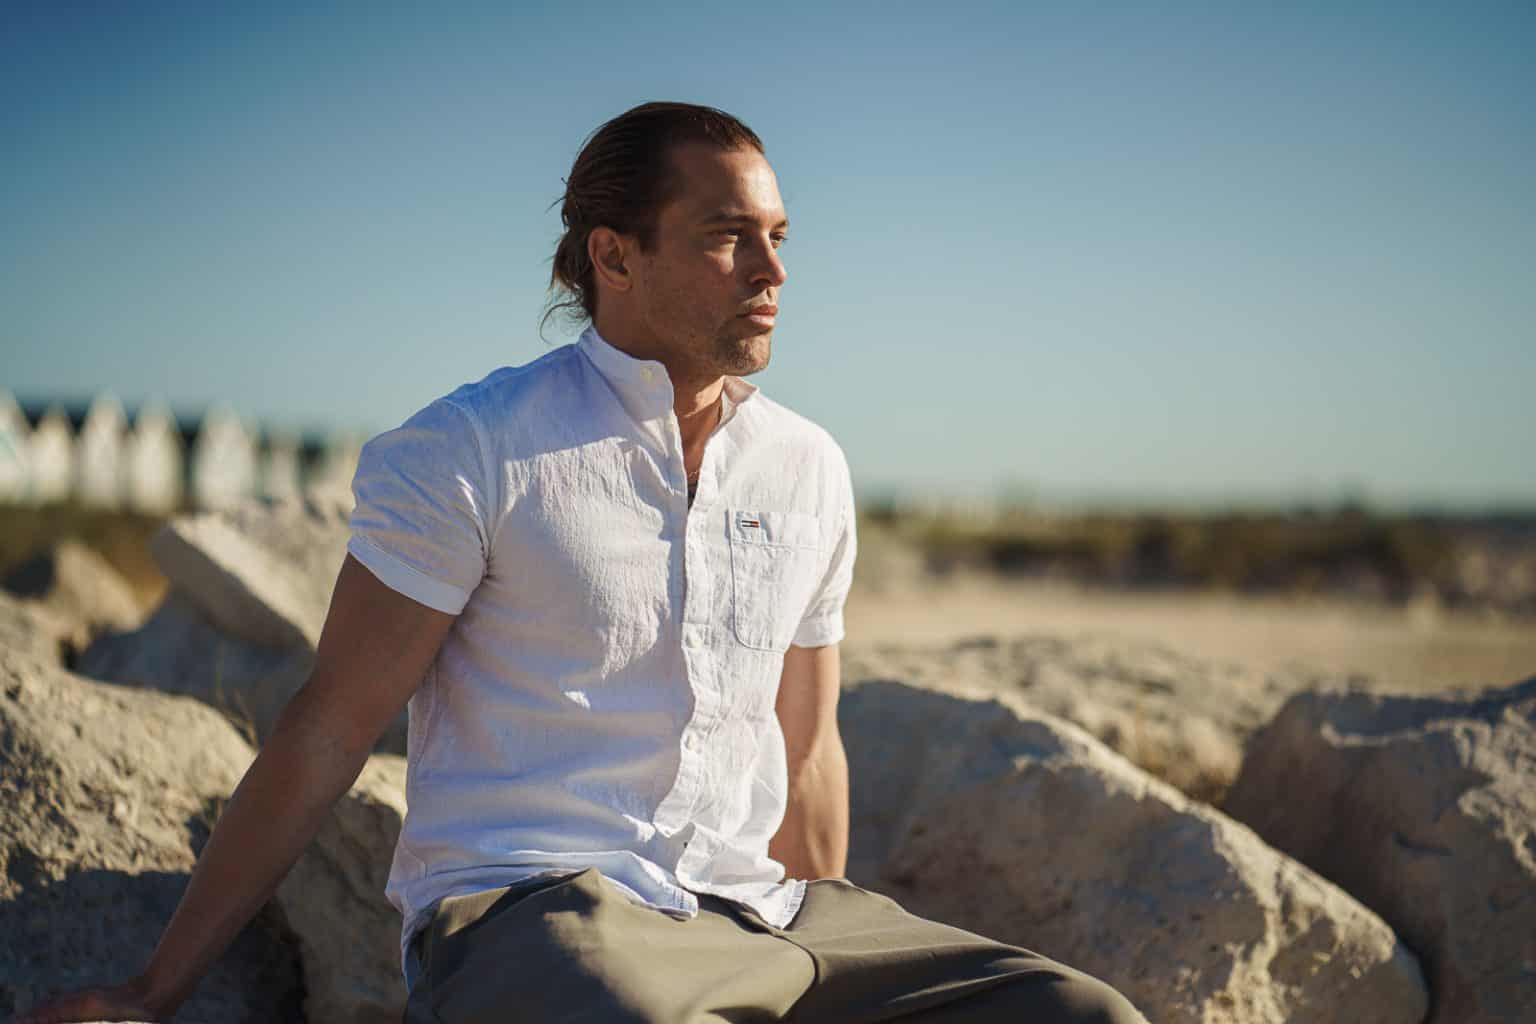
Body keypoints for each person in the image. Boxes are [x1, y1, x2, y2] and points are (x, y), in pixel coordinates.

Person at [22, 102, 1145, 1024]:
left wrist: (825, 938)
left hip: (766, 917)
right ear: (614, 253)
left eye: (779, 237)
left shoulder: (807, 467)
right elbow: (329, 723)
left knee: (1081, 1014)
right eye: (726, 236)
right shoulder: (472, 447)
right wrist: (151, 989)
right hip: (540, 916)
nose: (772, 270)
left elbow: (807, 749)